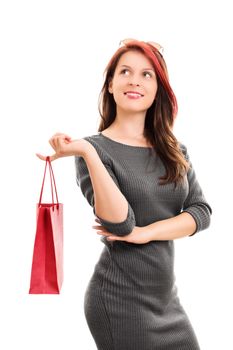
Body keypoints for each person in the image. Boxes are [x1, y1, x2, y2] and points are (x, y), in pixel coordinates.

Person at [36, 39, 212, 349]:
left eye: (147, 74)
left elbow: (201, 212)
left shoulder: (174, 151)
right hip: (120, 301)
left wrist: (147, 233)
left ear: (158, 88)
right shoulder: (94, 151)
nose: (135, 80)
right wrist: (88, 152)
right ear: (110, 84)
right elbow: (120, 224)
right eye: (125, 71)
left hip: (167, 303)